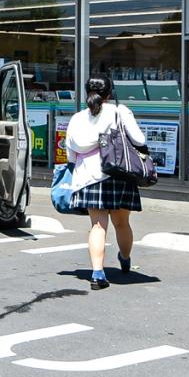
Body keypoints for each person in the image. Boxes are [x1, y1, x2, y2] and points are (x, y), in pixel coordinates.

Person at [65, 76, 146, 290]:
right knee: (122, 223)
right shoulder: (119, 111)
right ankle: (125, 259)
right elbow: (140, 140)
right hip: (118, 174)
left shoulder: (77, 118)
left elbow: (71, 155)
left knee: (97, 226)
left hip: (89, 177)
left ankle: (97, 274)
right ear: (109, 93)